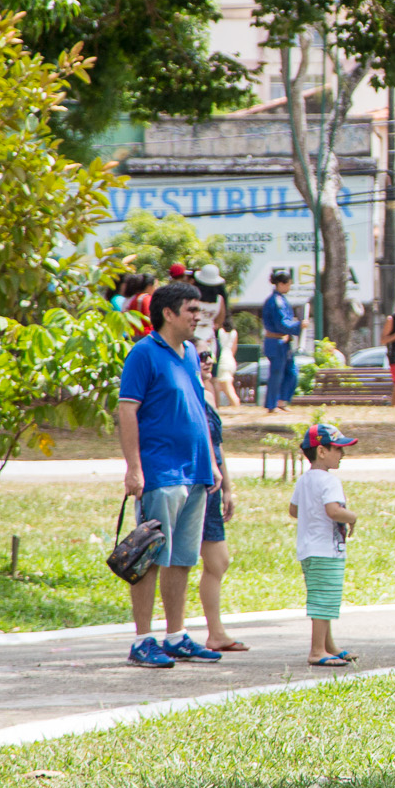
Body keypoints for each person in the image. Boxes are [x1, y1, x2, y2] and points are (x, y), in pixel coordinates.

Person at [116, 281, 223, 668]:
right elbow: (128, 410)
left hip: (194, 469)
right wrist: (134, 468)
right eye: (192, 310)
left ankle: (175, 635)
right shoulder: (144, 353)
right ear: (169, 313)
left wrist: (210, 461)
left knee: (182, 558)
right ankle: (142, 639)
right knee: (149, 554)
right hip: (161, 470)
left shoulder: (191, 353)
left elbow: (198, 406)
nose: (199, 316)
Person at [289, 422, 359, 667]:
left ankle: (329, 645)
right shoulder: (330, 481)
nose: (342, 454)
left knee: (322, 597)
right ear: (321, 451)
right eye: (338, 449)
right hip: (326, 550)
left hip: (308, 549)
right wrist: (351, 517)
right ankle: (317, 650)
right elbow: (333, 510)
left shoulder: (305, 479)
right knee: (324, 600)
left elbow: (294, 510)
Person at [197, 399, 244, 652]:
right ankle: (174, 632)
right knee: (175, 561)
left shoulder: (208, 396)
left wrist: (227, 487)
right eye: (201, 356)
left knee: (219, 560)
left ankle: (216, 633)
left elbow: (217, 446)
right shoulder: (183, 385)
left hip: (212, 486)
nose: (206, 361)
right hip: (191, 481)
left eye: (209, 357)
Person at [191, 264, 233, 410]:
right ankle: (215, 408)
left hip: (194, 337)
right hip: (210, 338)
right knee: (212, 376)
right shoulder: (219, 299)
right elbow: (219, 321)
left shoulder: (193, 298)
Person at [260, 268, 302, 414]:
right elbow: (281, 324)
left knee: (292, 372)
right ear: (281, 284)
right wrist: (298, 326)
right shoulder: (275, 301)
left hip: (284, 341)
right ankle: (272, 405)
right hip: (275, 341)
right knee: (277, 373)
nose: (289, 287)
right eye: (289, 284)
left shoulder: (281, 300)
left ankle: (282, 401)